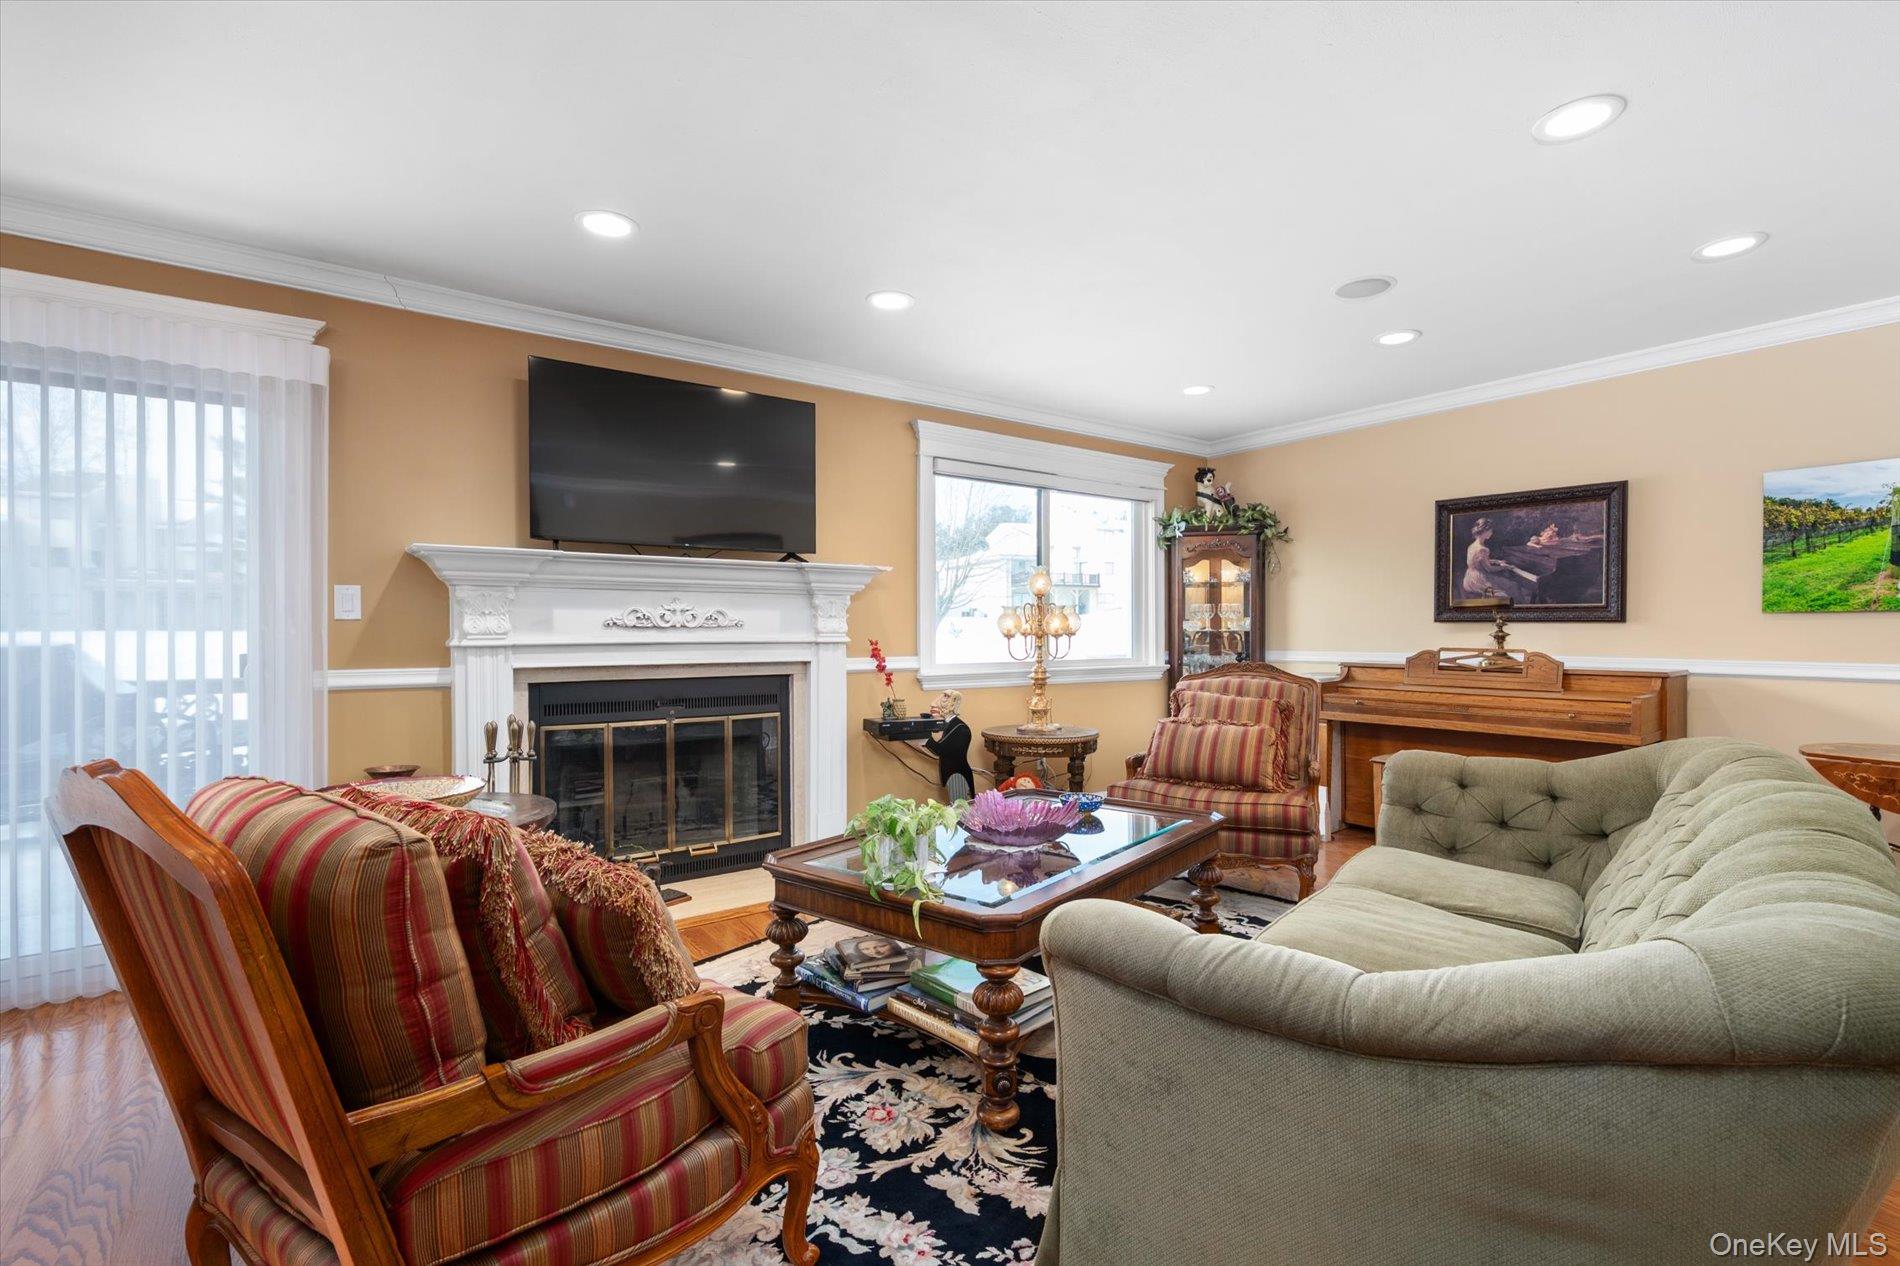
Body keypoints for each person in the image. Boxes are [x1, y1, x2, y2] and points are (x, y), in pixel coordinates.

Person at [917, 689, 976, 800]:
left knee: (960, 806)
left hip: (958, 776)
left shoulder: (960, 728)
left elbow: (941, 750)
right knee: (956, 805)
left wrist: (923, 737)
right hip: (952, 775)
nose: (933, 715)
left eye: (934, 712)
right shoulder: (951, 725)